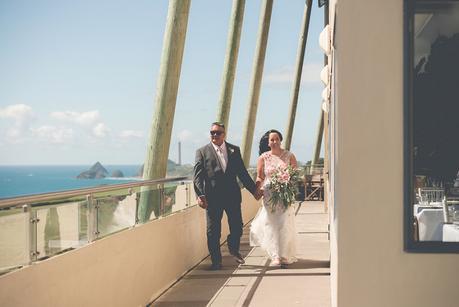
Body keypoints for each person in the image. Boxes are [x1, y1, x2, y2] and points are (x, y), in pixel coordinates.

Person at [193, 122, 261, 270]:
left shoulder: (234, 150)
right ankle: (216, 261)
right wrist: (200, 195)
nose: (214, 135)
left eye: (218, 132)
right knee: (213, 232)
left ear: (224, 134)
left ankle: (232, 245)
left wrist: (254, 190)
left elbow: (242, 173)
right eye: (212, 133)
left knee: (237, 226)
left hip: (232, 196)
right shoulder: (202, 152)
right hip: (212, 198)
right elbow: (197, 177)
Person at [250, 129, 298, 267]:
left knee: (284, 223)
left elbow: (294, 175)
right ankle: (275, 256)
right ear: (268, 142)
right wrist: (257, 190)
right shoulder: (263, 157)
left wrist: (288, 185)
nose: (275, 142)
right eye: (272, 140)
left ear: (280, 140)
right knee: (271, 225)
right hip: (269, 195)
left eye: (277, 139)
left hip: (285, 195)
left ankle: (284, 255)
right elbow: (260, 176)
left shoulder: (289, 155)